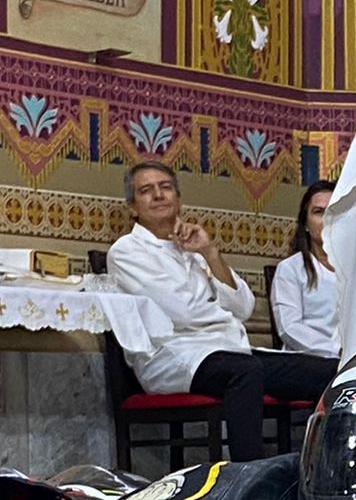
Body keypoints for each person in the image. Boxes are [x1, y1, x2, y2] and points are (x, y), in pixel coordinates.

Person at [107, 161, 340, 461]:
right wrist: (221, 313)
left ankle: (325, 466)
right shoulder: (126, 251)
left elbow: (244, 306)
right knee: (244, 372)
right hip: (173, 356)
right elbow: (183, 313)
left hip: (229, 349)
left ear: (178, 197)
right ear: (132, 208)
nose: (159, 195)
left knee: (330, 372)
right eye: (146, 191)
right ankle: (247, 477)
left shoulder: (191, 247)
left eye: (166, 187)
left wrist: (210, 253)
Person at [270, 180, 342, 358]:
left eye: (334, 211)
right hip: (309, 361)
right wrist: (335, 351)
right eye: (319, 212)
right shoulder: (290, 269)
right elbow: (289, 328)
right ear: (305, 224)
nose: (327, 219)